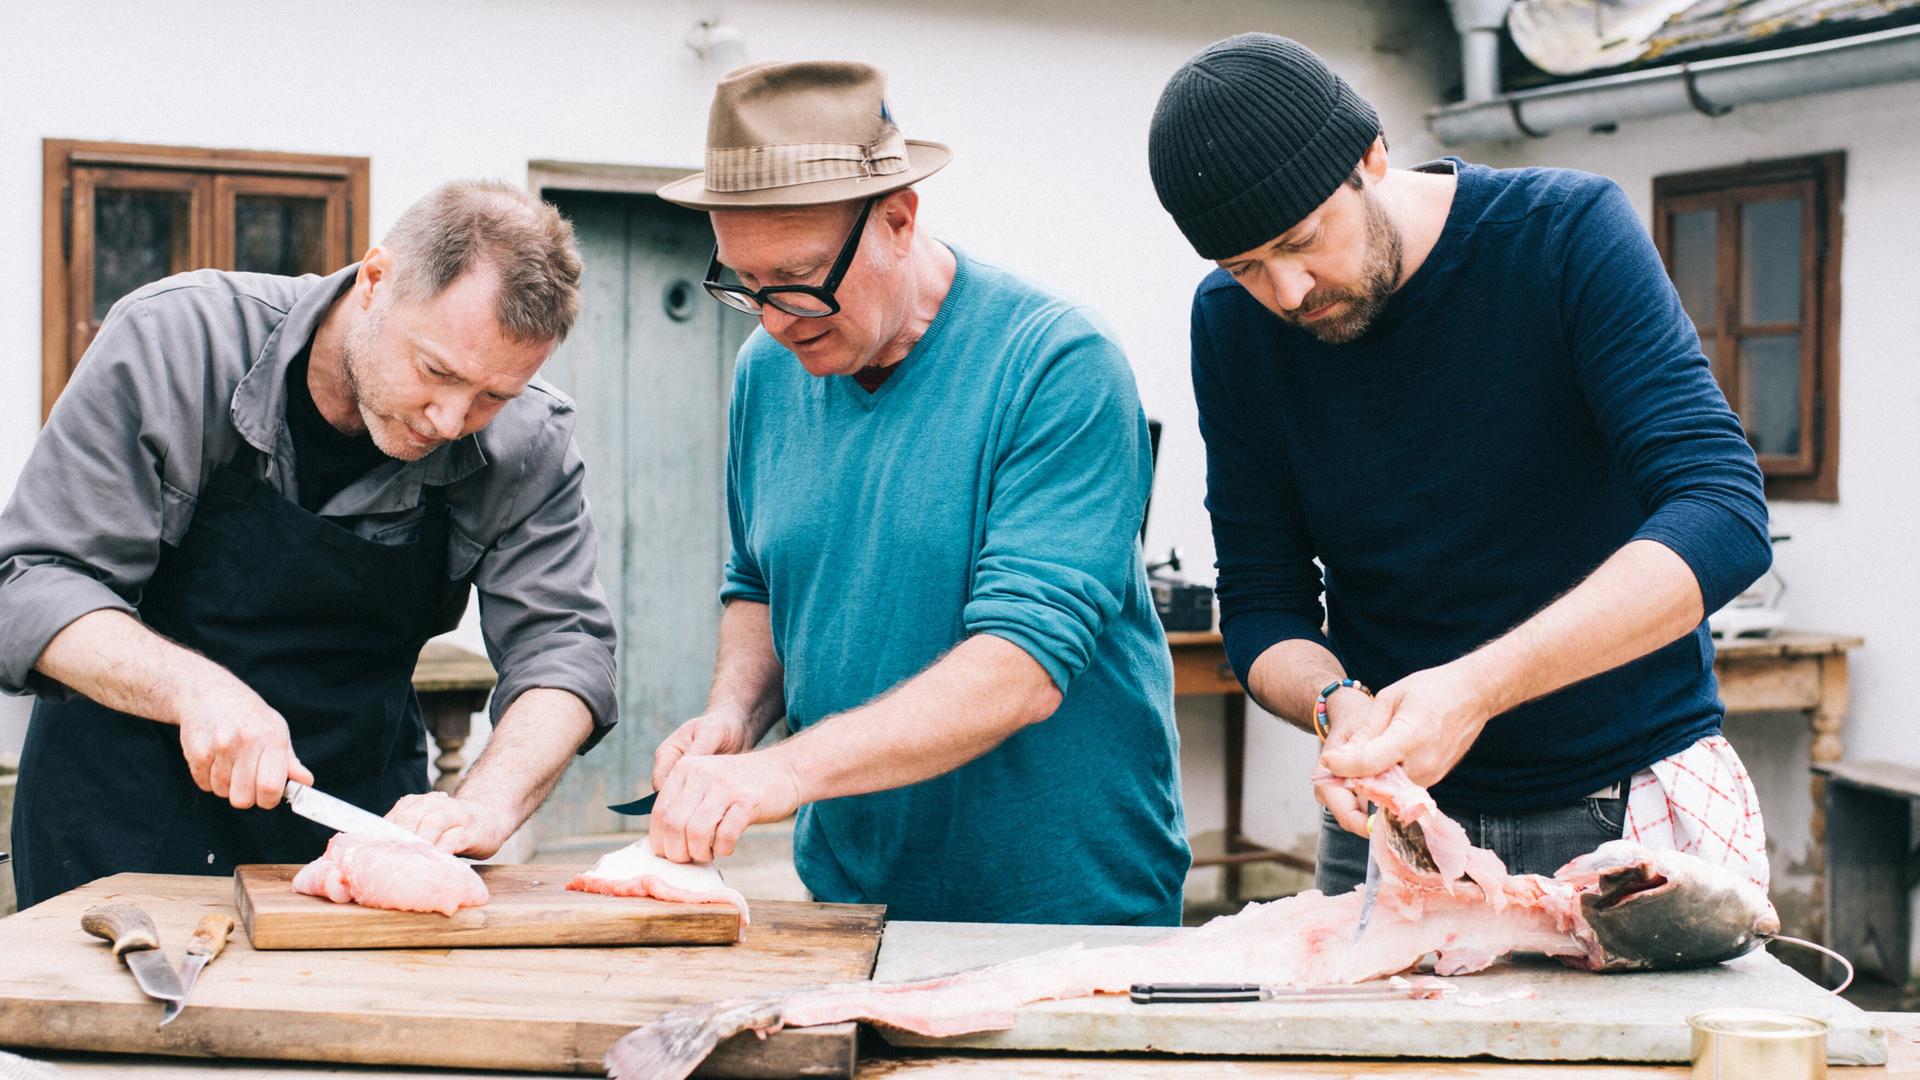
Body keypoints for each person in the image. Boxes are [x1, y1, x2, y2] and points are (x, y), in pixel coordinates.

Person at [1146, 34, 1773, 895]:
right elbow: (1262, 602)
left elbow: (1724, 512)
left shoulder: (1564, 235)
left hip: (1625, 799)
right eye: (1245, 266)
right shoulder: (1231, 323)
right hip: (1398, 816)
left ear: (1371, 155)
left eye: (1301, 239)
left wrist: (1477, 689)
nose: (1287, 294)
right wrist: (1337, 706)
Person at [644, 59, 1189, 925]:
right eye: (747, 287)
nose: (779, 320)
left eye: (798, 279)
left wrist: (783, 771)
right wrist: (733, 718)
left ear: (899, 219)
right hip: (853, 896)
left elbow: (1024, 666)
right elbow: (759, 584)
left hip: (1061, 903)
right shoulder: (768, 372)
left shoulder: (1056, 363)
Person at [1, 180, 618, 907]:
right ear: (375, 280)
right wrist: (195, 690)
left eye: (493, 396)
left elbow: (565, 649)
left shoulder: (529, 442)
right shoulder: (174, 343)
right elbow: (33, 580)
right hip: (116, 823)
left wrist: (488, 801)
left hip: (353, 842)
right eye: (436, 371)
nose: (452, 420)